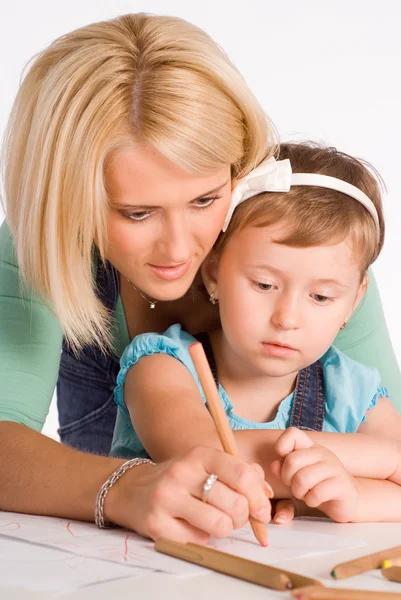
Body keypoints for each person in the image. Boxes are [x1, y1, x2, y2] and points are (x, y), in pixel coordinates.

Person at [0, 12, 398, 539]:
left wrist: (332, 475)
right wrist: (122, 487)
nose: (180, 247)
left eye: (206, 199)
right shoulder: (42, 245)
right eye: (137, 213)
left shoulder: (306, 247)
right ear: (67, 203)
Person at [112, 142, 401, 523]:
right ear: (213, 273)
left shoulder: (351, 390)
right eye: (264, 285)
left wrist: (355, 495)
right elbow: (207, 455)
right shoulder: (161, 367)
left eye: (321, 296)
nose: (287, 318)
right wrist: (375, 458)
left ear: (353, 302)